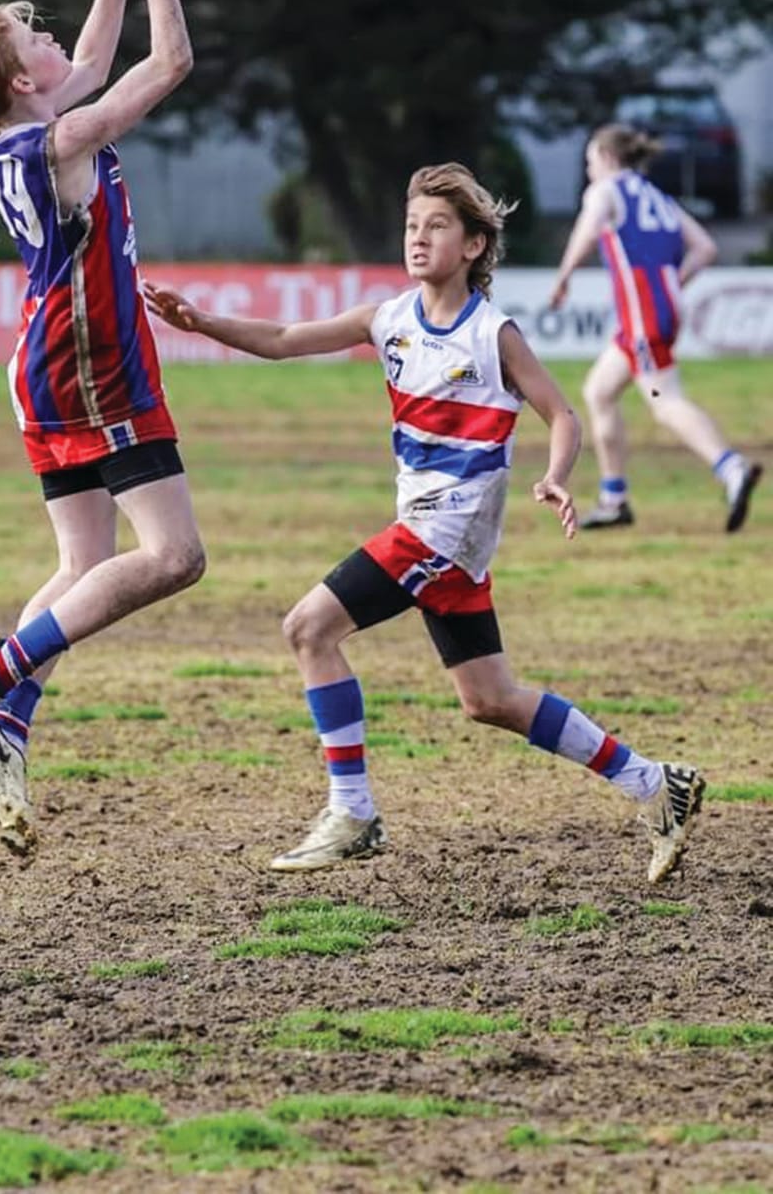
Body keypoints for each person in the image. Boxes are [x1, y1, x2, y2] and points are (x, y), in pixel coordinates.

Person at [145, 163, 704, 884]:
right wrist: (201, 321)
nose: (418, 238)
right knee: (489, 699)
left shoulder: (493, 332)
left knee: (308, 628)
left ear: (473, 245)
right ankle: (657, 784)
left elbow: (561, 412)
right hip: (432, 531)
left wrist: (556, 476)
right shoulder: (391, 319)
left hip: (448, 528)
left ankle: (352, 813)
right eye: (412, 225)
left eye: (437, 226)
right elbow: (285, 335)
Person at [0, 0, 205, 858]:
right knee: (174, 558)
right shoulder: (60, 139)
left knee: (84, 566)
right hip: (89, 365)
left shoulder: (7, 123)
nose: (52, 40)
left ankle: (3, 720)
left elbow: (89, 55)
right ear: (22, 83)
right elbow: (168, 60)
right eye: (30, 36)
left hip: (44, 360)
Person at [550, 122, 762, 532]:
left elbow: (587, 230)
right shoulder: (657, 195)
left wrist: (564, 277)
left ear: (608, 158)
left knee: (664, 400)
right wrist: (672, 284)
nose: (590, 169)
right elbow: (706, 248)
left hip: (644, 314)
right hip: (657, 308)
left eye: (591, 160)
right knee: (599, 391)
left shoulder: (606, 190)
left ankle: (731, 468)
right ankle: (614, 499)